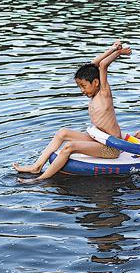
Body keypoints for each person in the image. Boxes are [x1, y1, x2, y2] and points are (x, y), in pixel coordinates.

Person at [14, 41, 131, 180]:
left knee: (70, 146)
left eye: (83, 86)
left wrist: (119, 52)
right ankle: (36, 166)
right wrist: (111, 48)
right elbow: (92, 66)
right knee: (62, 132)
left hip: (111, 147)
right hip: (98, 138)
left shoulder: (104, 93)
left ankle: (40, 179)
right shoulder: (93, 89)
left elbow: (103, 65)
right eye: (79, 87)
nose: (82, 90)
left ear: (96, 82)